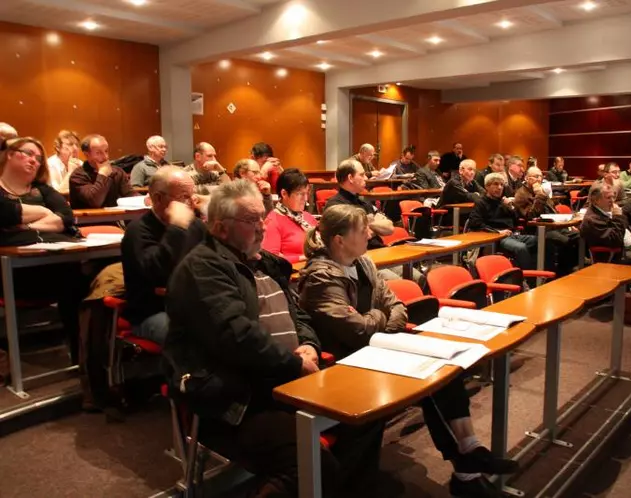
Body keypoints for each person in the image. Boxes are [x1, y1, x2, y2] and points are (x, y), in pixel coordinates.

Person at [164, 180, 381, 498]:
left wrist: (309, 345)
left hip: (288, 384)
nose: (263, 227)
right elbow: (237, 336)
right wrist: (295, 364)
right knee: (309, 463)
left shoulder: (267, 263)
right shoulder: (202, 268)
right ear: (222, 228)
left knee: (366, 416)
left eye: (262, 218)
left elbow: (300, 316)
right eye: (252, 221)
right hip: (238, 400)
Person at [298, 204, 519, 498]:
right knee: (430, 378)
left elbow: (397, 306)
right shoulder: (320, 276)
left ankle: (469, 451)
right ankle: (467, 472)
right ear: (339, 239)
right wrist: (381, 318)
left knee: (443, 365)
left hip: (378, 348)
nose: (370, 232)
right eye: (361, 229)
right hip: (347, 362)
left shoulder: (363, 263)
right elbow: (357, 331)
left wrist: (377, 318)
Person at [0, 137, 89, 362]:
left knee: (79, 277)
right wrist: (44, 213)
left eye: (38, 158)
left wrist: (23, 227)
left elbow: (67, 218)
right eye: (28, 153)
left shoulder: (43, 190)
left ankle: (83, 355)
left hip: (54, 267)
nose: (34, 160)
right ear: (10, 154)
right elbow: (4, 217)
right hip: (10, 274)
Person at [121, 167, 206, 346]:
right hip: (152, 312)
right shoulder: (138, 231)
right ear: (158, 198)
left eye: (193, 196)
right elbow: (157, 273)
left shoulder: (195, 225)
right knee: (192, 338)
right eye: (184, 197)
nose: (191, 203)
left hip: (191, 304)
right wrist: (177, 228)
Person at [515, 166, 579, 275]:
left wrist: (566, 224)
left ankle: (570, 266)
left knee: (578, 236)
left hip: (554, 225)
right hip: (538, 229)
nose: (539, 179)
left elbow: (553, 210)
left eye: (540, 176)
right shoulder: (521, 194)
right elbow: (530, 216)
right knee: (566, 241)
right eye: (535, 176)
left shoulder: (542, 191)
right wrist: (539, 196)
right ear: (527, 178)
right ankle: (563, 271)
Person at [468, 173, 537, 272]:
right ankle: (530, 279)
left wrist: (511, 208)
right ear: (487, 186)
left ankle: (539, 272)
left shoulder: (502, 202)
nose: (499, 187)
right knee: (521, 248)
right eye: (495, 184)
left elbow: (516, 221)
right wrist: (497, 232)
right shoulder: (481, 203)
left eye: (501, 184)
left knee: (541, 241)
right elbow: (475, 223)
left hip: (511, 234)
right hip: (496, 237)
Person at [325, 159, 393, 250]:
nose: (366, 178)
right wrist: (374, 226)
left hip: (379, 250)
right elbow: (353, 237)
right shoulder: (335, 205)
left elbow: (390, 228)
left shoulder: (364, 201)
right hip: (357, 257)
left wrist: (365, 224)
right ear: (350, 178)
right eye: (362, 175)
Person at [262, 168, 317, 263]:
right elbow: (270, 259)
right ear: (284, 193)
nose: (306, 198)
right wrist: (303, 257)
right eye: (300, 194)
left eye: (307, 193)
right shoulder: (273, 221)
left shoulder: (308, 217)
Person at [69, 134, 138, 209]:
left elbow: (130, 194)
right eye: (98, 153)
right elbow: (95, 201)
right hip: (88, 220)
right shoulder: (77, 176)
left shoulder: (117, 172)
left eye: (106, 151)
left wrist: (144, 200)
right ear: (87, 155)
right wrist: (103, 174)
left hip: (114, 219)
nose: (105, 157)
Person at [437, 159, 484, 227]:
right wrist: (476, 194)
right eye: (470, 169)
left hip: (462, 213)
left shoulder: (472, 182)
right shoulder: (454, 182)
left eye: (474, 170)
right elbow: (468, 196)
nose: (473, 172)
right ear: (461, 170)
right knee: (475, 219)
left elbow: (485, 194)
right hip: (445, 214)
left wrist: (477, 195)